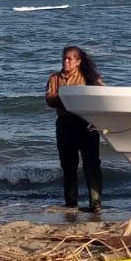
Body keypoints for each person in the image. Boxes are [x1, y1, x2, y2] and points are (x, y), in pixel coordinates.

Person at [45, 45, 104, 211]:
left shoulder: (90, 77)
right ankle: (71, 202)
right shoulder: (54, 78)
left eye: (70, 59)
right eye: (64, 58)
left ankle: (96, 203)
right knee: (68, 165)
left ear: (78, 62)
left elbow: (103, 94)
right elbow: (49, 99)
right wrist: (68, 96)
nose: (66, 61)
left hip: (86, 125)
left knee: (91, 164)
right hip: (65, 125)